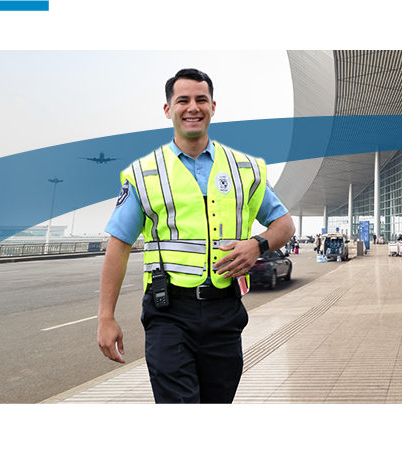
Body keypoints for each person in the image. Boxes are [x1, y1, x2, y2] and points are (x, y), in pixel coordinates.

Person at [96, 68, 295, 404]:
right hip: (169, 312)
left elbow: (284, 225)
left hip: (225, 312)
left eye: (201, 99)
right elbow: (119, 245)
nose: (193, 107)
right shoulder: (146, 173)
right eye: (183, 100)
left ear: (213, 107)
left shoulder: (243, 168)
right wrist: (106, 316)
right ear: (168, 109)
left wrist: (257, 245)